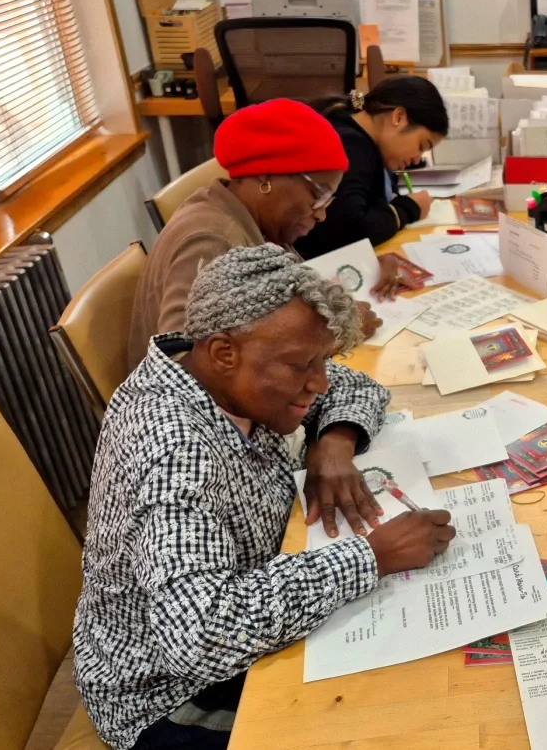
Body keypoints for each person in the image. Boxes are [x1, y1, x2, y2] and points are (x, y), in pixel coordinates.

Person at [78, 245, 458, 750]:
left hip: (258, 587)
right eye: (303, 365)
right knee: (398, 718)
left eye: (322, 359)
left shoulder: (227, 373)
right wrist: (371, 557)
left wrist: (335, 441)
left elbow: (356, 387)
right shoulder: (173, 451)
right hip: (170, 696)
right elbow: (199, 636)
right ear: (222, 352)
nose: (319, 381)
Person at [127, 98, 384, 370]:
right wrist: (332, 339)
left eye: (329, 200)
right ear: (265, 176)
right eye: (318, 194)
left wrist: (368, 266)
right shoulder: (211, 240)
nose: (321, 214)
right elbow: (186, 362)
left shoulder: (258, 225)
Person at [297, 76, 449, 259]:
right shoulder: (350, 146)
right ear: (399, 118)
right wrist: (409, 208)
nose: (417, 160)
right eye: (421, 146)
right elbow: (351, 231)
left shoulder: (367, 142)